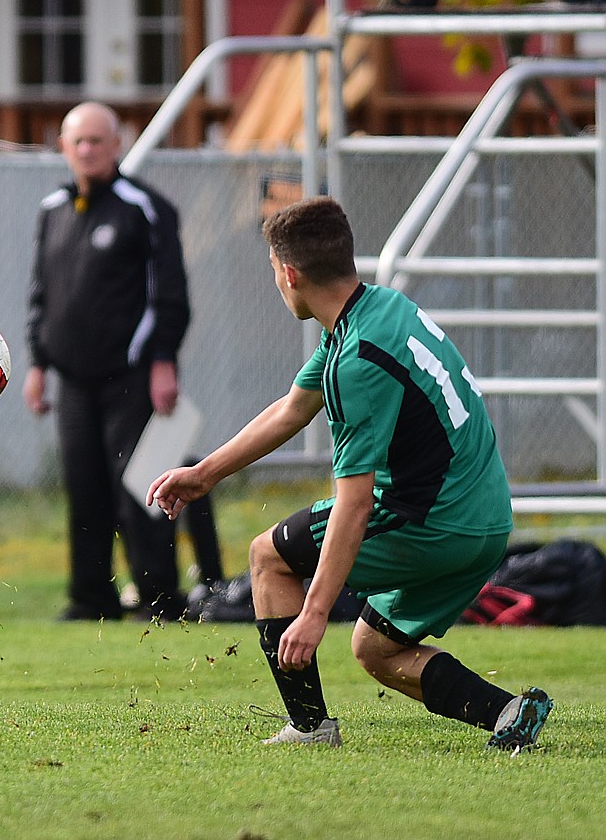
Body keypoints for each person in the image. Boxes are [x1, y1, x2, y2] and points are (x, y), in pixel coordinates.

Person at [148, 196, 553, 752]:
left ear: (289, 274)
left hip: (435, 523)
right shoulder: (378, 310)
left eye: (272, 270)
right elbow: (293, 406)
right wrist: (205, 473)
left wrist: (314, 612)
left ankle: (310, 729)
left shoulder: (358, 361)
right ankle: (508, 715)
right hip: (483, 518)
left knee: (269, 556)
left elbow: (355, 504)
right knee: (375, 649)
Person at [24, 101, 192, 621]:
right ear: (64, 148)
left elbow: (171, 293)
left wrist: (163, 360)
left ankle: (159, 597)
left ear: (116, 145)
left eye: (98, 140)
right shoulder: (52, 208)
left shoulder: (145, 208)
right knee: (84, 487)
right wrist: (38, 364)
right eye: (79, 142)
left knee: (140, 487)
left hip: (133, 375)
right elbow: (41, 293)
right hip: (73, 377)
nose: (88, 150)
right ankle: (91, 595)